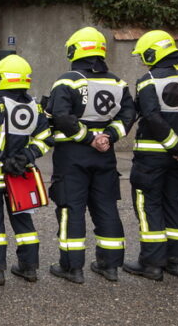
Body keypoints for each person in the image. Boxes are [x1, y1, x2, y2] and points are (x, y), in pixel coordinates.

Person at [47, 27, 136, 284]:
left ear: (74, 51)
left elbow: (61, 117)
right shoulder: (118, 83)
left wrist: (88, 138)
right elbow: (128, 115)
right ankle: (110, 266)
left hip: (72, 156)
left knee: (71, 209)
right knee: (106, 207)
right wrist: (108, 136)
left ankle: (72, 268)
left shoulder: (67, 81)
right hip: (105, 155)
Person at [125, 30, 178, 280]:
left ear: (153, 53)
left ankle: (151, 264)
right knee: (173, 203)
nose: (144, 61)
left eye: (144, 55)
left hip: (151, 160)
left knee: (148, 206)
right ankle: (175, 263)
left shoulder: (148, 80)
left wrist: (177, 148)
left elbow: (152, 118)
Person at [0, 54, 53, 284]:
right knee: (23, 219)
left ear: (2, 78)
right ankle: (29, 267)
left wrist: (2, 159)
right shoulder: (34, 106)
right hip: (21, 174)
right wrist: (25, 157)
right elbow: (45, 138)